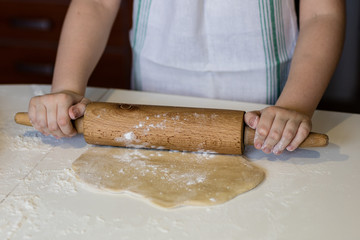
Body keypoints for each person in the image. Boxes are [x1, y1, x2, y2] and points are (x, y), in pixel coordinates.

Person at [27, 0, 345, 155]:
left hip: (266, 94)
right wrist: (67, 87)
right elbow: (96, 3)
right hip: (155, 83)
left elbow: (322, 13)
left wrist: (295, 105)